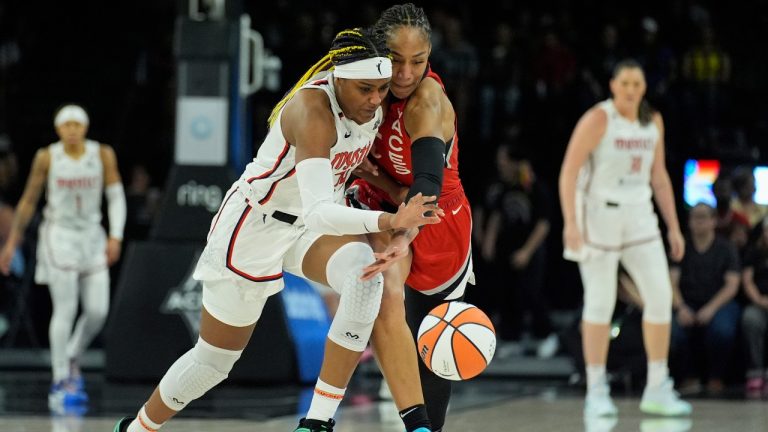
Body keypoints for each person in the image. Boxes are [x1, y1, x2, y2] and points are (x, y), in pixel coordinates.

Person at [113, 27, 442, 432]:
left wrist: (393, 189)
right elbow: (322, 210)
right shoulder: (312, 110)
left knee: (366, 276)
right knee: (214, 361)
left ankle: (317, 422)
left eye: (382, 88)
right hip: (255, 227)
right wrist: (392, 220)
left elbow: (345, 165)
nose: (376, 100)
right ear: (338, 79)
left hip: (305, 230)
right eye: (365, 89)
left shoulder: (369, 102)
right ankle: (138, 427)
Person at [343, 4, 475, 431]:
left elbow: (426, 187)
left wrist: (403, 227)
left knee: (434, 337)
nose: (404, 73)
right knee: (384, 297)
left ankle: (426, 422)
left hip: (435, 215)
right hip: (383, 202)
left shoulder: (426, 102)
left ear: (430, 56)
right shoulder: (365, 82)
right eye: (396, 60)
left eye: (417, 61)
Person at [558, 59, 691, 417]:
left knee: (661, 297)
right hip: (599, 214)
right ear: (613, 85)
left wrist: (674, 227)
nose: (632, 89)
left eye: (638, 83)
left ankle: (658, 386)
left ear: (644, 87)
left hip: (640, 216)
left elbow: (659, 176)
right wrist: (571, 222)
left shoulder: (653, 120)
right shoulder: (598, 119)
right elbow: (569, 172)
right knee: (600, 302)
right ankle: (596, 389)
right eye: (626, 83)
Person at [0, 104, 127, 410]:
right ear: (58, 129)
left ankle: (72, 355)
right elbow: (30, 200)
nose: (72, 130)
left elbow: (115, 195)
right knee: (65, 308)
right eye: (66, 125)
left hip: (92, 236)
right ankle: (60, 378)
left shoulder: (101, 154)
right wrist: (11, 244)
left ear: (85, 127)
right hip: (59, 236)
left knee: (98, 310)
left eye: (77, 124)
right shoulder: (48, 157)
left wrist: (116, 235)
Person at [670, 203, 740, 395]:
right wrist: (680, 307)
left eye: (703, 217)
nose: (698, 222)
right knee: (672, 330)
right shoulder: (681, 246)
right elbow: (671, 282)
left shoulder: (726, 248)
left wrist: (711, 308)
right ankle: (687, 377)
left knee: (722, 330)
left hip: (718, 302)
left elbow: (732, 285)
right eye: (694, 217)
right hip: (687, 301)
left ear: (713, 221)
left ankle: (716, 377)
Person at [741, 217, 768, 396]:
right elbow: (747, 280)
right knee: (750, 319)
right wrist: (759, 299)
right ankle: (756, 371)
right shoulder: (754, 252)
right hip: (759, 304)